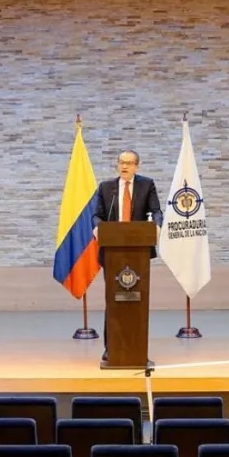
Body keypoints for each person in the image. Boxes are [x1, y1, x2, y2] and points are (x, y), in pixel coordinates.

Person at [92, 150, 163, 362]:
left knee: (137, 299)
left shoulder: (146, 185)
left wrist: (156, 227)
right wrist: (98, 230)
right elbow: (97, 215)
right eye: (121, 162)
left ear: (137, 167)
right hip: (112, 252)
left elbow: (156, 211)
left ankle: (138, 348)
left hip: (138, 253)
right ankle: (110, 347)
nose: (124, 166)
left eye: (129, 163)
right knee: (113, 299)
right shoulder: (106, 188)